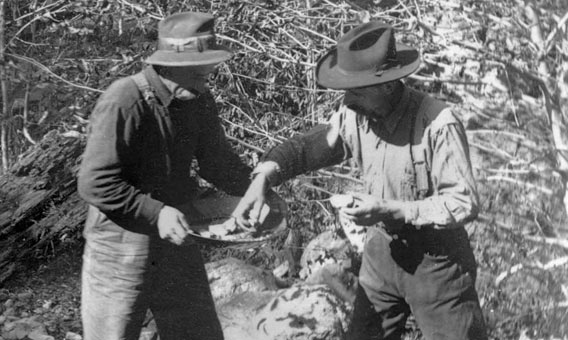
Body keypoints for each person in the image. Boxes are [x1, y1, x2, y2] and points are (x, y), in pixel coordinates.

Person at [233, 21, 488, 340]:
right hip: (381, 254)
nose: (347, 99)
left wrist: (390, 209)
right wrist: (263, 177)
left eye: (356, 90)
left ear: (388, 86)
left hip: (438, 265)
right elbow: (306, 148)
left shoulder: (437, 123)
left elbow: (463, 202)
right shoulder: (354, 114)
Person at [76, 11, 251, 340]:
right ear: (172, 65)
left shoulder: (198, 99)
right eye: (202, 69)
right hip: (120, 248)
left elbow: (217, 162)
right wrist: (156, 213)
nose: (209, 76)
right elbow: (95, 182)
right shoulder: (125, 100)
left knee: (198, 334)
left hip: (177, 239)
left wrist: (258, 187)